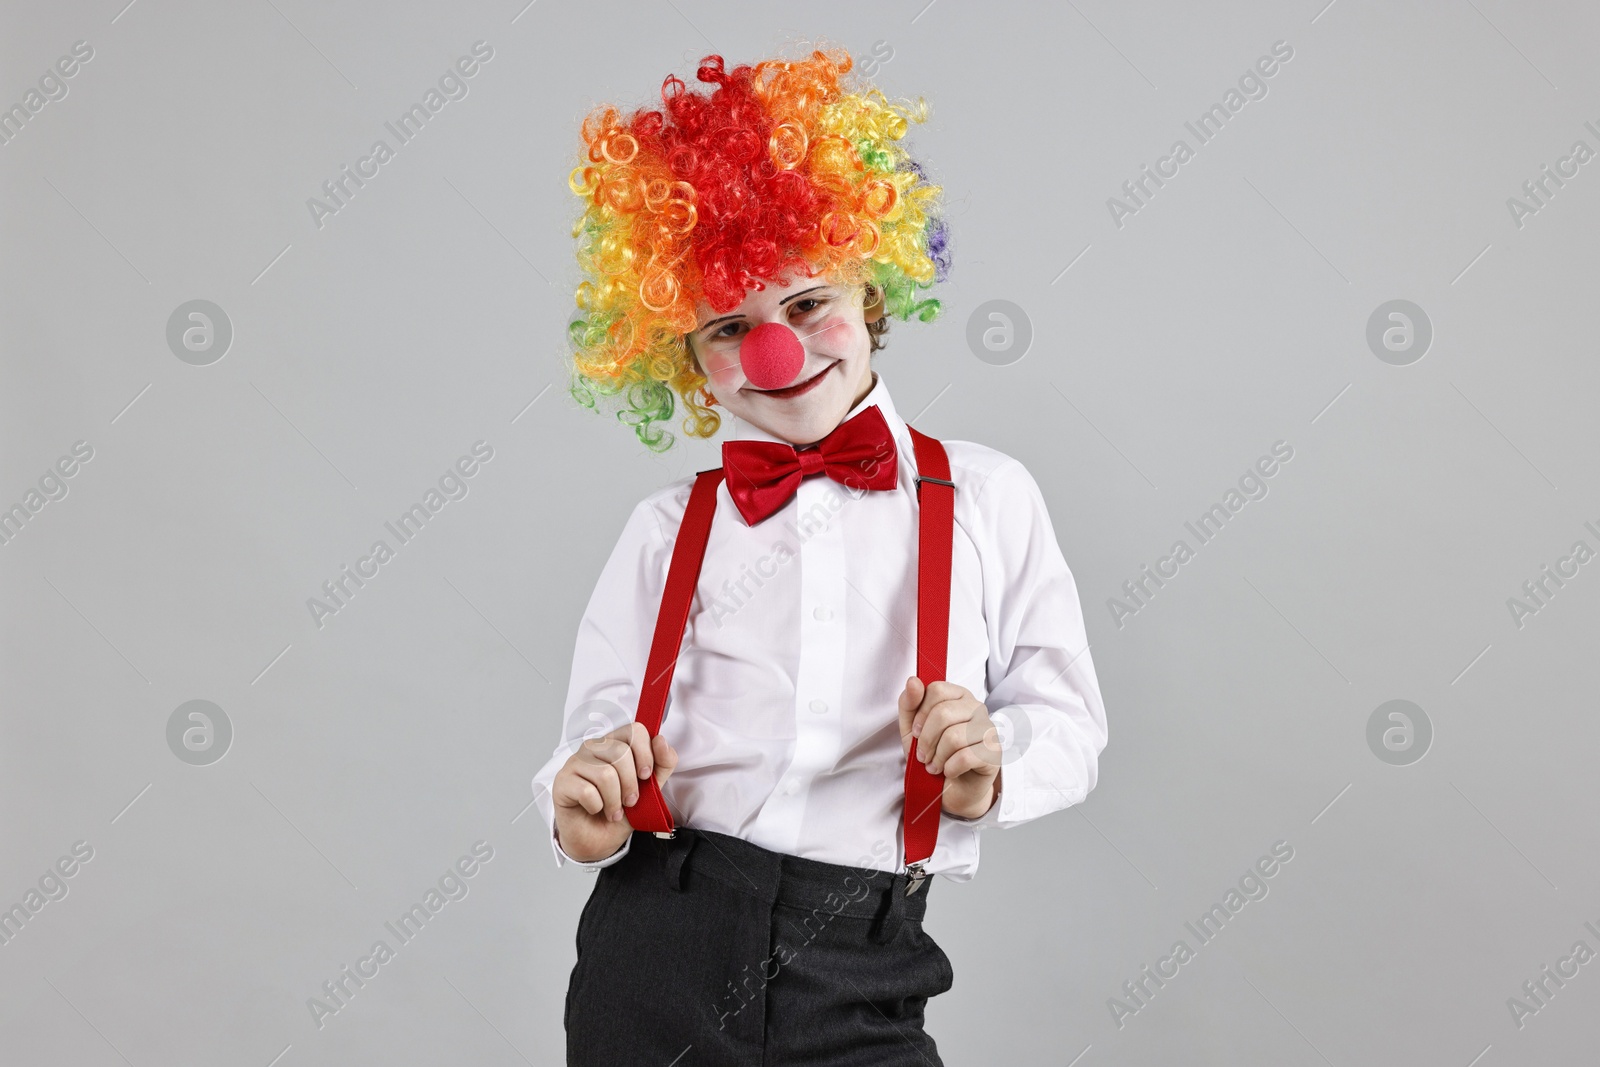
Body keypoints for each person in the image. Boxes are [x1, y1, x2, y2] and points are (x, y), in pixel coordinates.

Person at [531, 42, 1107, 1065]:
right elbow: (593, 739)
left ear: (872, 292)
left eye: (806, 305)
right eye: (728, 325)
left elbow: (1067, 721)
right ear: (685, 358)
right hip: (653, 940)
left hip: (863, 955)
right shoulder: (668, 529)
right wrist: (584, 809)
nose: (778, 351)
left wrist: (987, 771)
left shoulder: (985, 495)